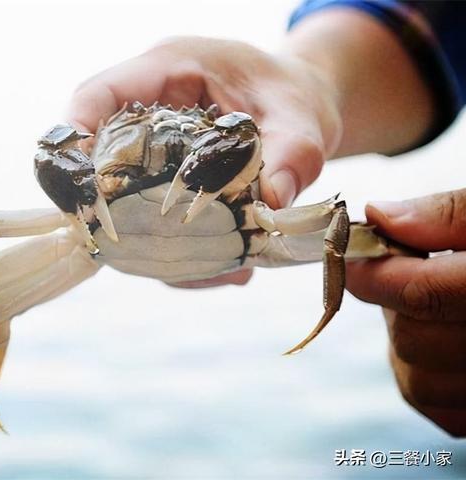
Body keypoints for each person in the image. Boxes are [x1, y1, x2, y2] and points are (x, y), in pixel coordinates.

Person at [66, 1, 466, 436]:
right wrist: (313, 82)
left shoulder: (240, 149)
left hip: (251, 228)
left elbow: (346, 233)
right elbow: (437, 22)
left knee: (386, 243)